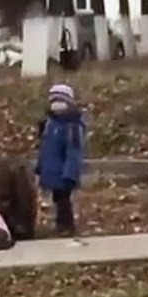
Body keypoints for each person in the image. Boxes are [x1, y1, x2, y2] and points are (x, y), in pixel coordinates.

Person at [35, 83, 87, 236]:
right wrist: (39, 167)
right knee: (58, 200)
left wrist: (70, 173)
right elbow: (45, 149)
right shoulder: (49, 124)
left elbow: (73, 152)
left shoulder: (71, 126)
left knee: (64, 201)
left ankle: (67, 226)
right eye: (54, 102)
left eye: (61, 102)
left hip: (64, 173)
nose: (57, 105)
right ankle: (60, 224)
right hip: (52, 171)